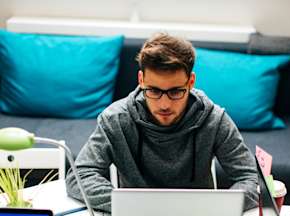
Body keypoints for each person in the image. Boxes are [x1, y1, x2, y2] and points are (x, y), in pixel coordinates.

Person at [66, 33, 258, 213]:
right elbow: (80, 176)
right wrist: (134, 208)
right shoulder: (116, 119)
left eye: (175, 92)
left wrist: (214, 209)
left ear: (191, 82)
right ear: (141, 80)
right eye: (154, 91)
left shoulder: (215, 120)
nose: (164, 104)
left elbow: (250, 179)